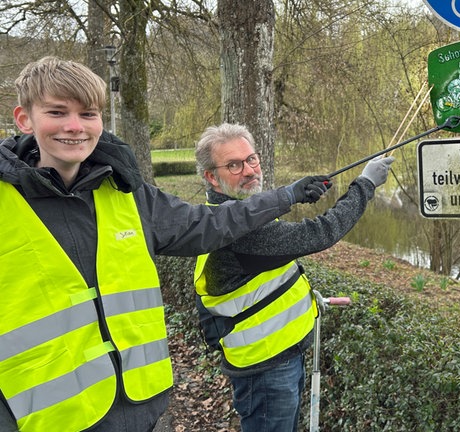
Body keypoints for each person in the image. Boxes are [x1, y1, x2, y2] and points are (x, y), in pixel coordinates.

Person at [0, 56, 331, 432]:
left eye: (88, 114)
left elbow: (212, 223)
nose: (75, 127)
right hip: (48, 422)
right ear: (25, 119)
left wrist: (285, 196)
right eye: (58, 112)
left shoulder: (127, 193)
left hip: (144, 412)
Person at [192, 123, 394, 432]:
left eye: (252, 159)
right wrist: (365, 185)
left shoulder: (233, 212)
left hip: (278, 358)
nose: (248, 170)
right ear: (210, 176)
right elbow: (321, 233)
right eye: (234, 164)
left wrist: (294, 194)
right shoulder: (239, 230)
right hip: (267, 369)